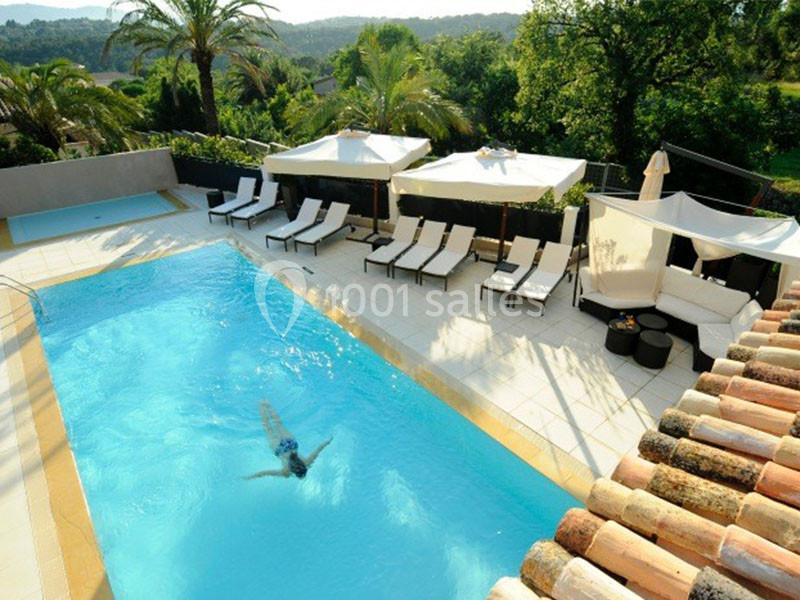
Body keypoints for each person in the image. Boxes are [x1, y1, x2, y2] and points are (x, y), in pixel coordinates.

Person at [244, 400, 332, 480]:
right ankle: (261, 406)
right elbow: (265, 473)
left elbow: (318, 450)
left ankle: (267, 404)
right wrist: (251, 477)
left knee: (278, 423)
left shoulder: (307, 463)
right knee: (268, 428)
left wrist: (328, 442)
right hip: (279, 449)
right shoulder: (286, 472)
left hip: (291, 444)